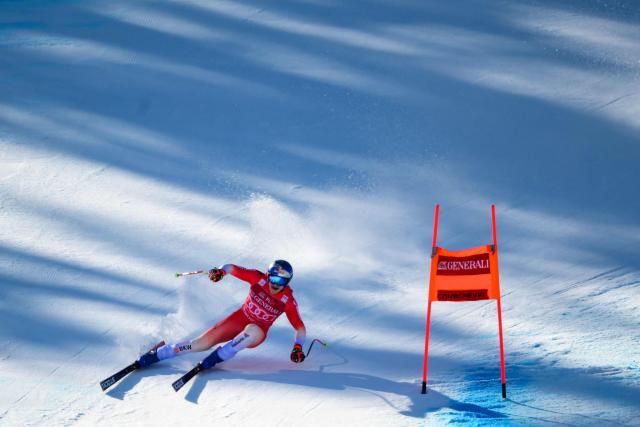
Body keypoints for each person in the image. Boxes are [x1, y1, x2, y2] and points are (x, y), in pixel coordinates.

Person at [136, 260, 307, 370]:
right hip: (237, 319)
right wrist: (220, 272)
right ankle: (157, 354)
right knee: (199, 344)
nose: (277, 285)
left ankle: (218, 356)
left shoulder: (287, 299)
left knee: (252, 329)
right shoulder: (257, 278)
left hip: (257, 332)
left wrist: (298, 346)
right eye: (275, 279)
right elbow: (230, 267)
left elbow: (300, 327)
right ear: (268, 275)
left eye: (282, 282)